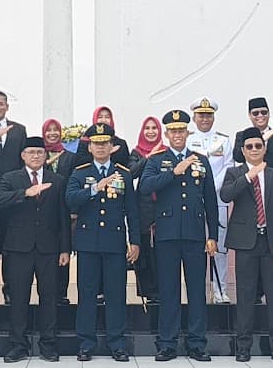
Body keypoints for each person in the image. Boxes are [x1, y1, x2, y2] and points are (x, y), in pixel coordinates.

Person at [140, 109, 220, 361]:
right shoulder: (157, 159)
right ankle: (168, 342)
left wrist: (213, 235)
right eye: (172, 131)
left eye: (181, 130)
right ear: (166, 133)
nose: (177, 134)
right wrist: (173, 172)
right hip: (167, 234)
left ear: (188, 132)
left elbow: (210, 200)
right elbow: (145, 186)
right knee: (169, 290)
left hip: (195, 234)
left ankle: (197, 343)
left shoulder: (201, 160)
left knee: (197, 290)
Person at [0, 136, 72, 362]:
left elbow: (63, 217)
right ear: (23, 155)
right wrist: (24, 194)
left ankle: (48, 344)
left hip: (49, 248)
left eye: (40, 152)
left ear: (46, 155)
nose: (36, 156)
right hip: (19, 248)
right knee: (18, 297)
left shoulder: (57, 180)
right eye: (31, 152)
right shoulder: (10, 178)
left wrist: (65, 249)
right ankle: (18, 344)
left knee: (49, 296)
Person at [67, 125, 140, 362]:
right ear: (89, 147)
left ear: (112, 146)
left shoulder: (123, 173)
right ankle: (86, 343)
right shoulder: (80, 172)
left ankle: (116, 343)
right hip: (88, 242)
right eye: (96, 143)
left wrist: (135, 242)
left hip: (114, 242)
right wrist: (95, 188)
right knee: (86, 293)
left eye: (104, 143)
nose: (100, 147)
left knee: (116, 294)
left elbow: (132, 211)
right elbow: (70, 200)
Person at [220, 128, 273, 363]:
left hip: (271, 242)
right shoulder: (234, 173)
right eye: (249, 147)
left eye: (258, 146)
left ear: (264, 148)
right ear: (242, 150)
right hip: (246, 243)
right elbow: (226, 195)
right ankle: (243, 346)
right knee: (246, 295)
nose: (253, 150)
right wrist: (249, 176)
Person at [231, 97, 273, 303]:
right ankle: (256, 293)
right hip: (250, 197)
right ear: (250, 115)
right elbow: (238, 158)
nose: (260, 116)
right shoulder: (243, 136)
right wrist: (260, 138)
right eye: (255, 113)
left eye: (263, 112)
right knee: (251, 252)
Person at [186, 97, 234, 304]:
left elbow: (228, 166)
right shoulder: (187, 140)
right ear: (194, 117)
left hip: (217, 198)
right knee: (195, 247)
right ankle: (196, 292)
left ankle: (220, 290)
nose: (205, 119)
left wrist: (211, 186)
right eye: (201, 115)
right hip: (194, 199)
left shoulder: (223, 140)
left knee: (220, 247)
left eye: (208, 115)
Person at [126, 116, 166, 304]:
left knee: (162, 252)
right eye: (147, 128)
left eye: (154, 128)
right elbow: (130, 172)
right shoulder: (136, 152)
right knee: (145, 251)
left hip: (164, 207)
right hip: (143, 207)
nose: (151, 132)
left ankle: (162, 290)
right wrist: (149, 157)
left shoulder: (167, 152)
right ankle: (148, 292)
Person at [41, 118, 77, 306]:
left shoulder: (69, 155)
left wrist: (73, 211)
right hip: (42, 212)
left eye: (56, 130)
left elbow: (73, 182)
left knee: (64, 250)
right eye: (49, 130)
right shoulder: (38, 153)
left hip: (64, 211)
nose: (52, 133)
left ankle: (61, 291)